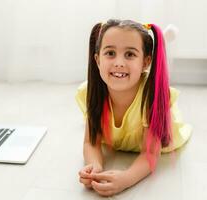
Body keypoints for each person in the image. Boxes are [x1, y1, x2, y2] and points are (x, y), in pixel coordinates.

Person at [76, 19, 192, 197]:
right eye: (110, 53)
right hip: (124, 133)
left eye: (129, 54)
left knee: (168, 112)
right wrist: (95, 165)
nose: (119, 62)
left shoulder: (153, 97)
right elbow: (91, 142)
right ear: (98, 60)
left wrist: (126, 178)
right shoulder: (91, 91)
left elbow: (151, 153)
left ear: (146, 62)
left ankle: (163, 42)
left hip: (154, 119)